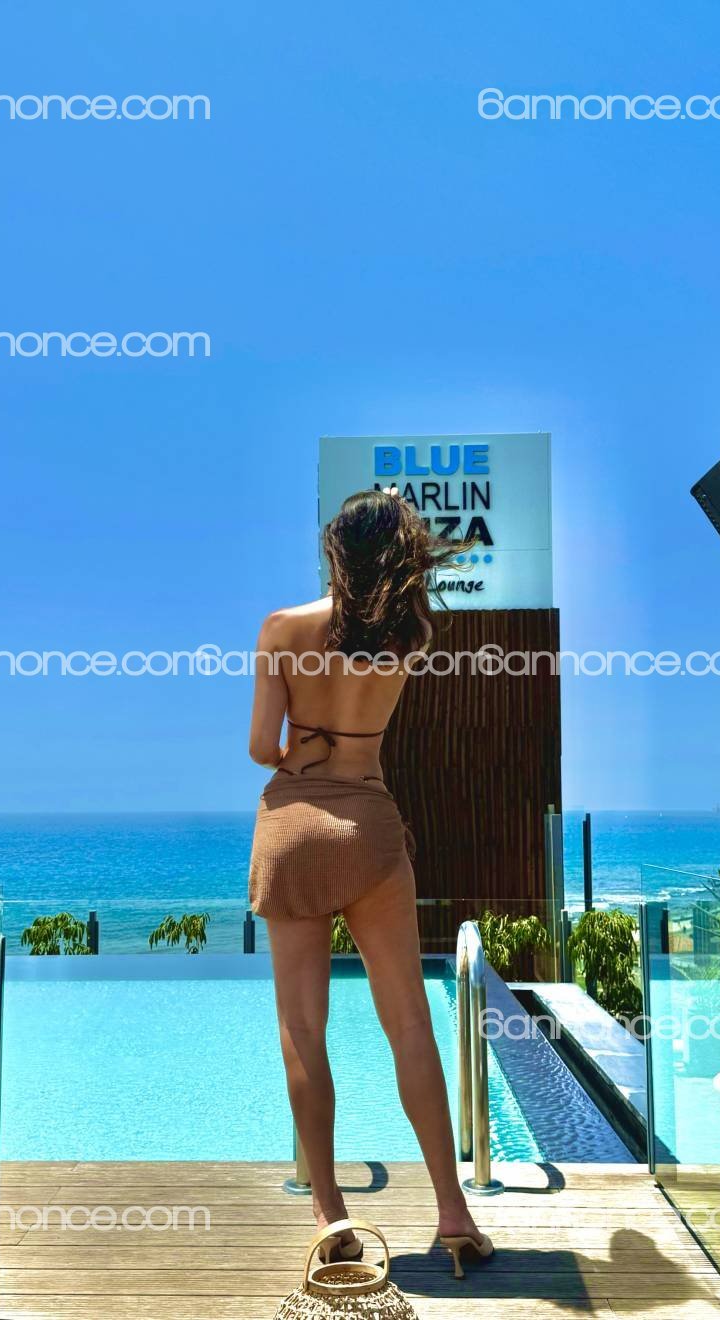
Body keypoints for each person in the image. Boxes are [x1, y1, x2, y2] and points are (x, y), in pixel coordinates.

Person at [247, 487, 493, 1279]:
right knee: (410, 1024)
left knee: (302, 1029)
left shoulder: (282, 628)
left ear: (333, 549)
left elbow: (260, 746)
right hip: (370, 825)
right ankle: (453, 1214)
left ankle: (331, 1218)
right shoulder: (411, 633)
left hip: (292, 825)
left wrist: (301, 749)